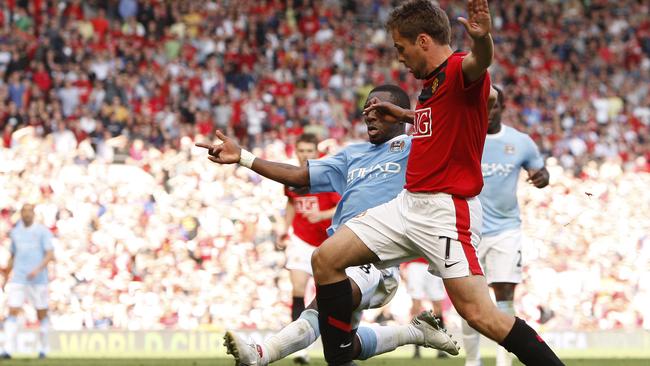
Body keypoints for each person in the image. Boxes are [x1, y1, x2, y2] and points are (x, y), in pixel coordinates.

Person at [305, 1, 564, 365]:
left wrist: (483, 39)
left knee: (480, 316)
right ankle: (341, 356)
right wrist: (406, 115)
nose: (399, 57)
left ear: (423, 40)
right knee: (326, 258)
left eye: (401, 47)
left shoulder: (460, 69)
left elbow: (480, 62)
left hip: (445, 212)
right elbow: (443, 122)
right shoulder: (433, 84)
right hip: (408, 204)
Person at [197, 85, 459, 366]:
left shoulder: (415, 147)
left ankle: (261, 353)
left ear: (395, 113)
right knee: (341, 350)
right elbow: (299, 176)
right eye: (366, 109)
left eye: (378, 109)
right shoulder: (352, 154)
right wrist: (244, 158)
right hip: (341, 248)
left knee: (322, 309)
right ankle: (415, 331)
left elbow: (448, 125)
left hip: (376, 254)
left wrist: (408, 116)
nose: (368, 115)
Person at [461, 87, 550, 366]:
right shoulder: (463, 136)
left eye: (494, 106)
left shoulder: (520, 141)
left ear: (503, 107)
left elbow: (540, 171)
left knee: (504, 297)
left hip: (505, 230)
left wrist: (542, 177)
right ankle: (473, 361)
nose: (488, 112)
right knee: (468, 300)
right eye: (483, 106)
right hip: (468, 230)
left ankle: (503, 362)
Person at [277, 133, 339, 364]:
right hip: (300, 239)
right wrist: (284, 229)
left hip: (328, 242)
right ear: (296, 152)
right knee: (297, 289)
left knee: (329, 296)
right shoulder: (290, 176)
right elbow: (291, 202)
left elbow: (343, 203)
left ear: (316, 152)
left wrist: (321, 215)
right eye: (301, 151)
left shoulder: (326, 175)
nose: (305, 155)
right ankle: (299, 349)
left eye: (309, 151)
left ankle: (335, 343)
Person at [1, 204, 55, 359]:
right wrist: (6, 277)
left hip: (38, 280)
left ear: (33, 214)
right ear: (21, 214)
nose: (26, 214)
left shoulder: (42, 232)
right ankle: (7, 349)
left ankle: (44, 348)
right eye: (23, 211)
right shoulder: (16, 232)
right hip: (19, 278)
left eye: (29, 211)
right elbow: (13, 256)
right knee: (12, 311)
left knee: (41, 313)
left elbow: (50, 254)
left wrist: (37, 270)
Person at [403, 259, 447, 359]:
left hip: (434, 262)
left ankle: (441, 349)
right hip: (414, 264)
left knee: (438, 308)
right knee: (416, 308)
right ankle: (417, 350)